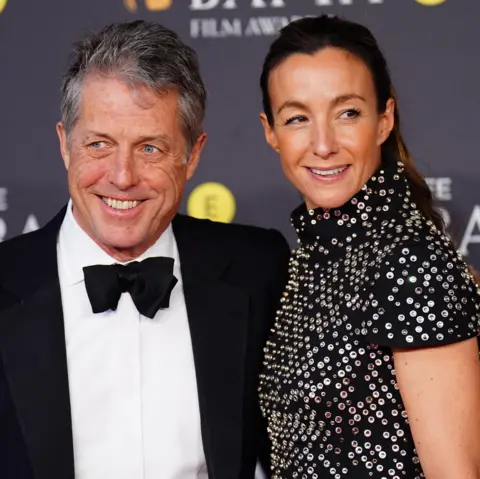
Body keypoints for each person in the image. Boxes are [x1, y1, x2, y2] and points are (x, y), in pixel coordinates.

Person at [0, 20, 290, 479]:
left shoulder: (257, 270)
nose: (122, 176)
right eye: (98, 144)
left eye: (150, 148)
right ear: (64, 145)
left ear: (192, 155)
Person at [257, 14, 480, 479]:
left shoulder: (409, 262)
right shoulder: (308, 260)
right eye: (297, 118)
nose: (322, 144)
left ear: (384, 121)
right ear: (270, 132)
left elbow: (454, 472)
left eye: (347, 113)